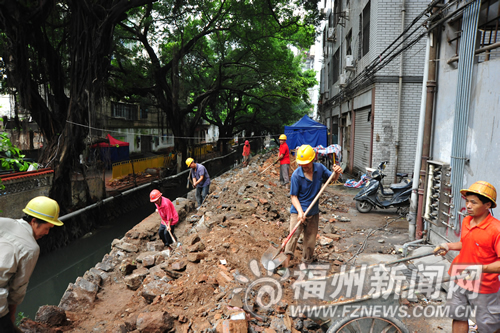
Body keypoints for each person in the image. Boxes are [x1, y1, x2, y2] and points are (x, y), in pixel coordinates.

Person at [434, 181, 500, 333]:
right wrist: (448, 246)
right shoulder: (467, 221)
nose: (468, 206)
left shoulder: (496, 230)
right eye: (467, 201)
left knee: (490, 326)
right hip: (460, 277)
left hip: (484, 285)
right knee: (459, 316)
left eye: (474, 202)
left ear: (487, 205)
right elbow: (467, 243)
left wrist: (480, 268)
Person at [0, 196, 64, 333]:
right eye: (47, 228)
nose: (47, 233)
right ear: (34, 221)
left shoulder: (4, 222)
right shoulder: (31, 248)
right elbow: (18, 288)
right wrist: (10, 316)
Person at [282, 145, 342, 268]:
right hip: (297, 211)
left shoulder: (319, 169)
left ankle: (306, 263)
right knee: (293, 237)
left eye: (307, 163)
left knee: (310, 240)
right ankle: (285, 264)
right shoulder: (296, 175)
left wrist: (336, 173)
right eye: (302, 163)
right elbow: (294, 197)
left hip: (313, 212)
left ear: (313, 159)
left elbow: (332, 179)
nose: (304, 166)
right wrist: (300, 212)